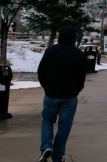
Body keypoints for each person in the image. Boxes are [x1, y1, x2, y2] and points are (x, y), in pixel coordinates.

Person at [37, 25, 88, 162]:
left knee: (47, 120)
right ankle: (58, 155)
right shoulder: (78, 54)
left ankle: (46, 146)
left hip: (51, 93)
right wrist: (77, 89)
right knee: (64, 126)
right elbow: (82, 75)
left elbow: (41, 71)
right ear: (74, 38)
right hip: (70, 96)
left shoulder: (51, 51)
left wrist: (46, 87)